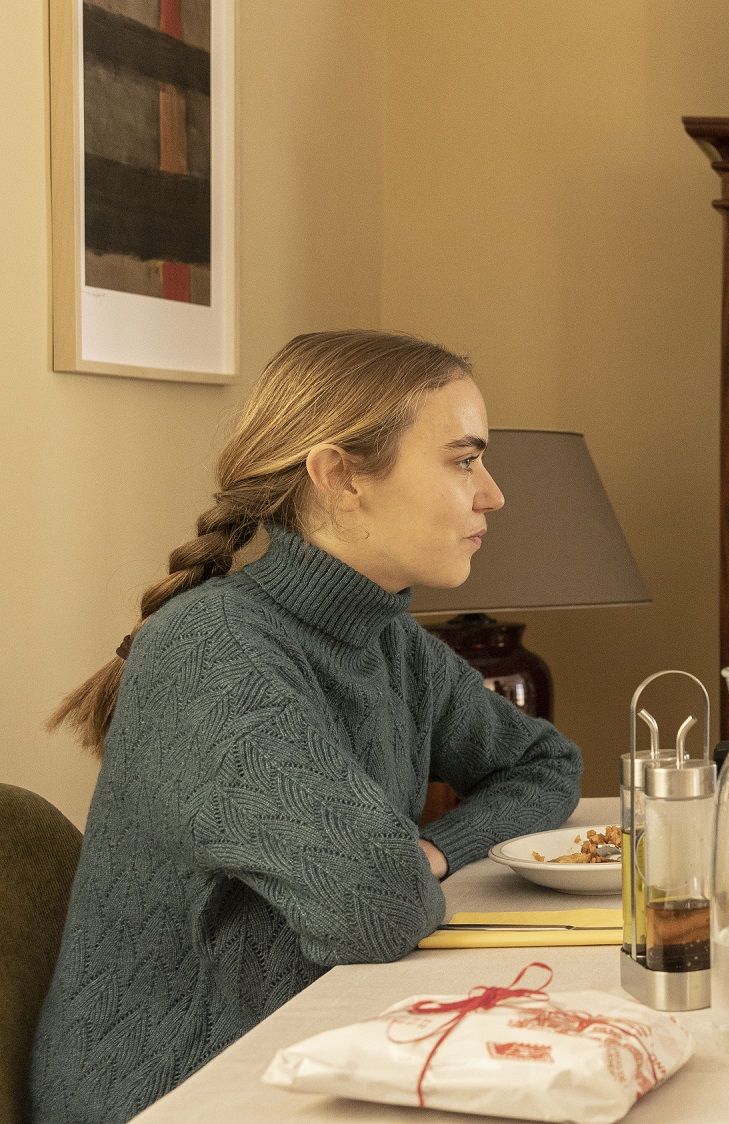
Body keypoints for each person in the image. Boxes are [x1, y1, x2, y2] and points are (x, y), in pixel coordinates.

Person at [33, 331, 585, 1122]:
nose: (492, 493)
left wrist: (431, 850)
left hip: (322, 1046)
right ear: (339, 477)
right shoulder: (210, 650)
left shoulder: (386, 639)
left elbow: (544, 762)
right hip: (182, 1087)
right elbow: (376, 907)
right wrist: (407, 871)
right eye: (464, 460)